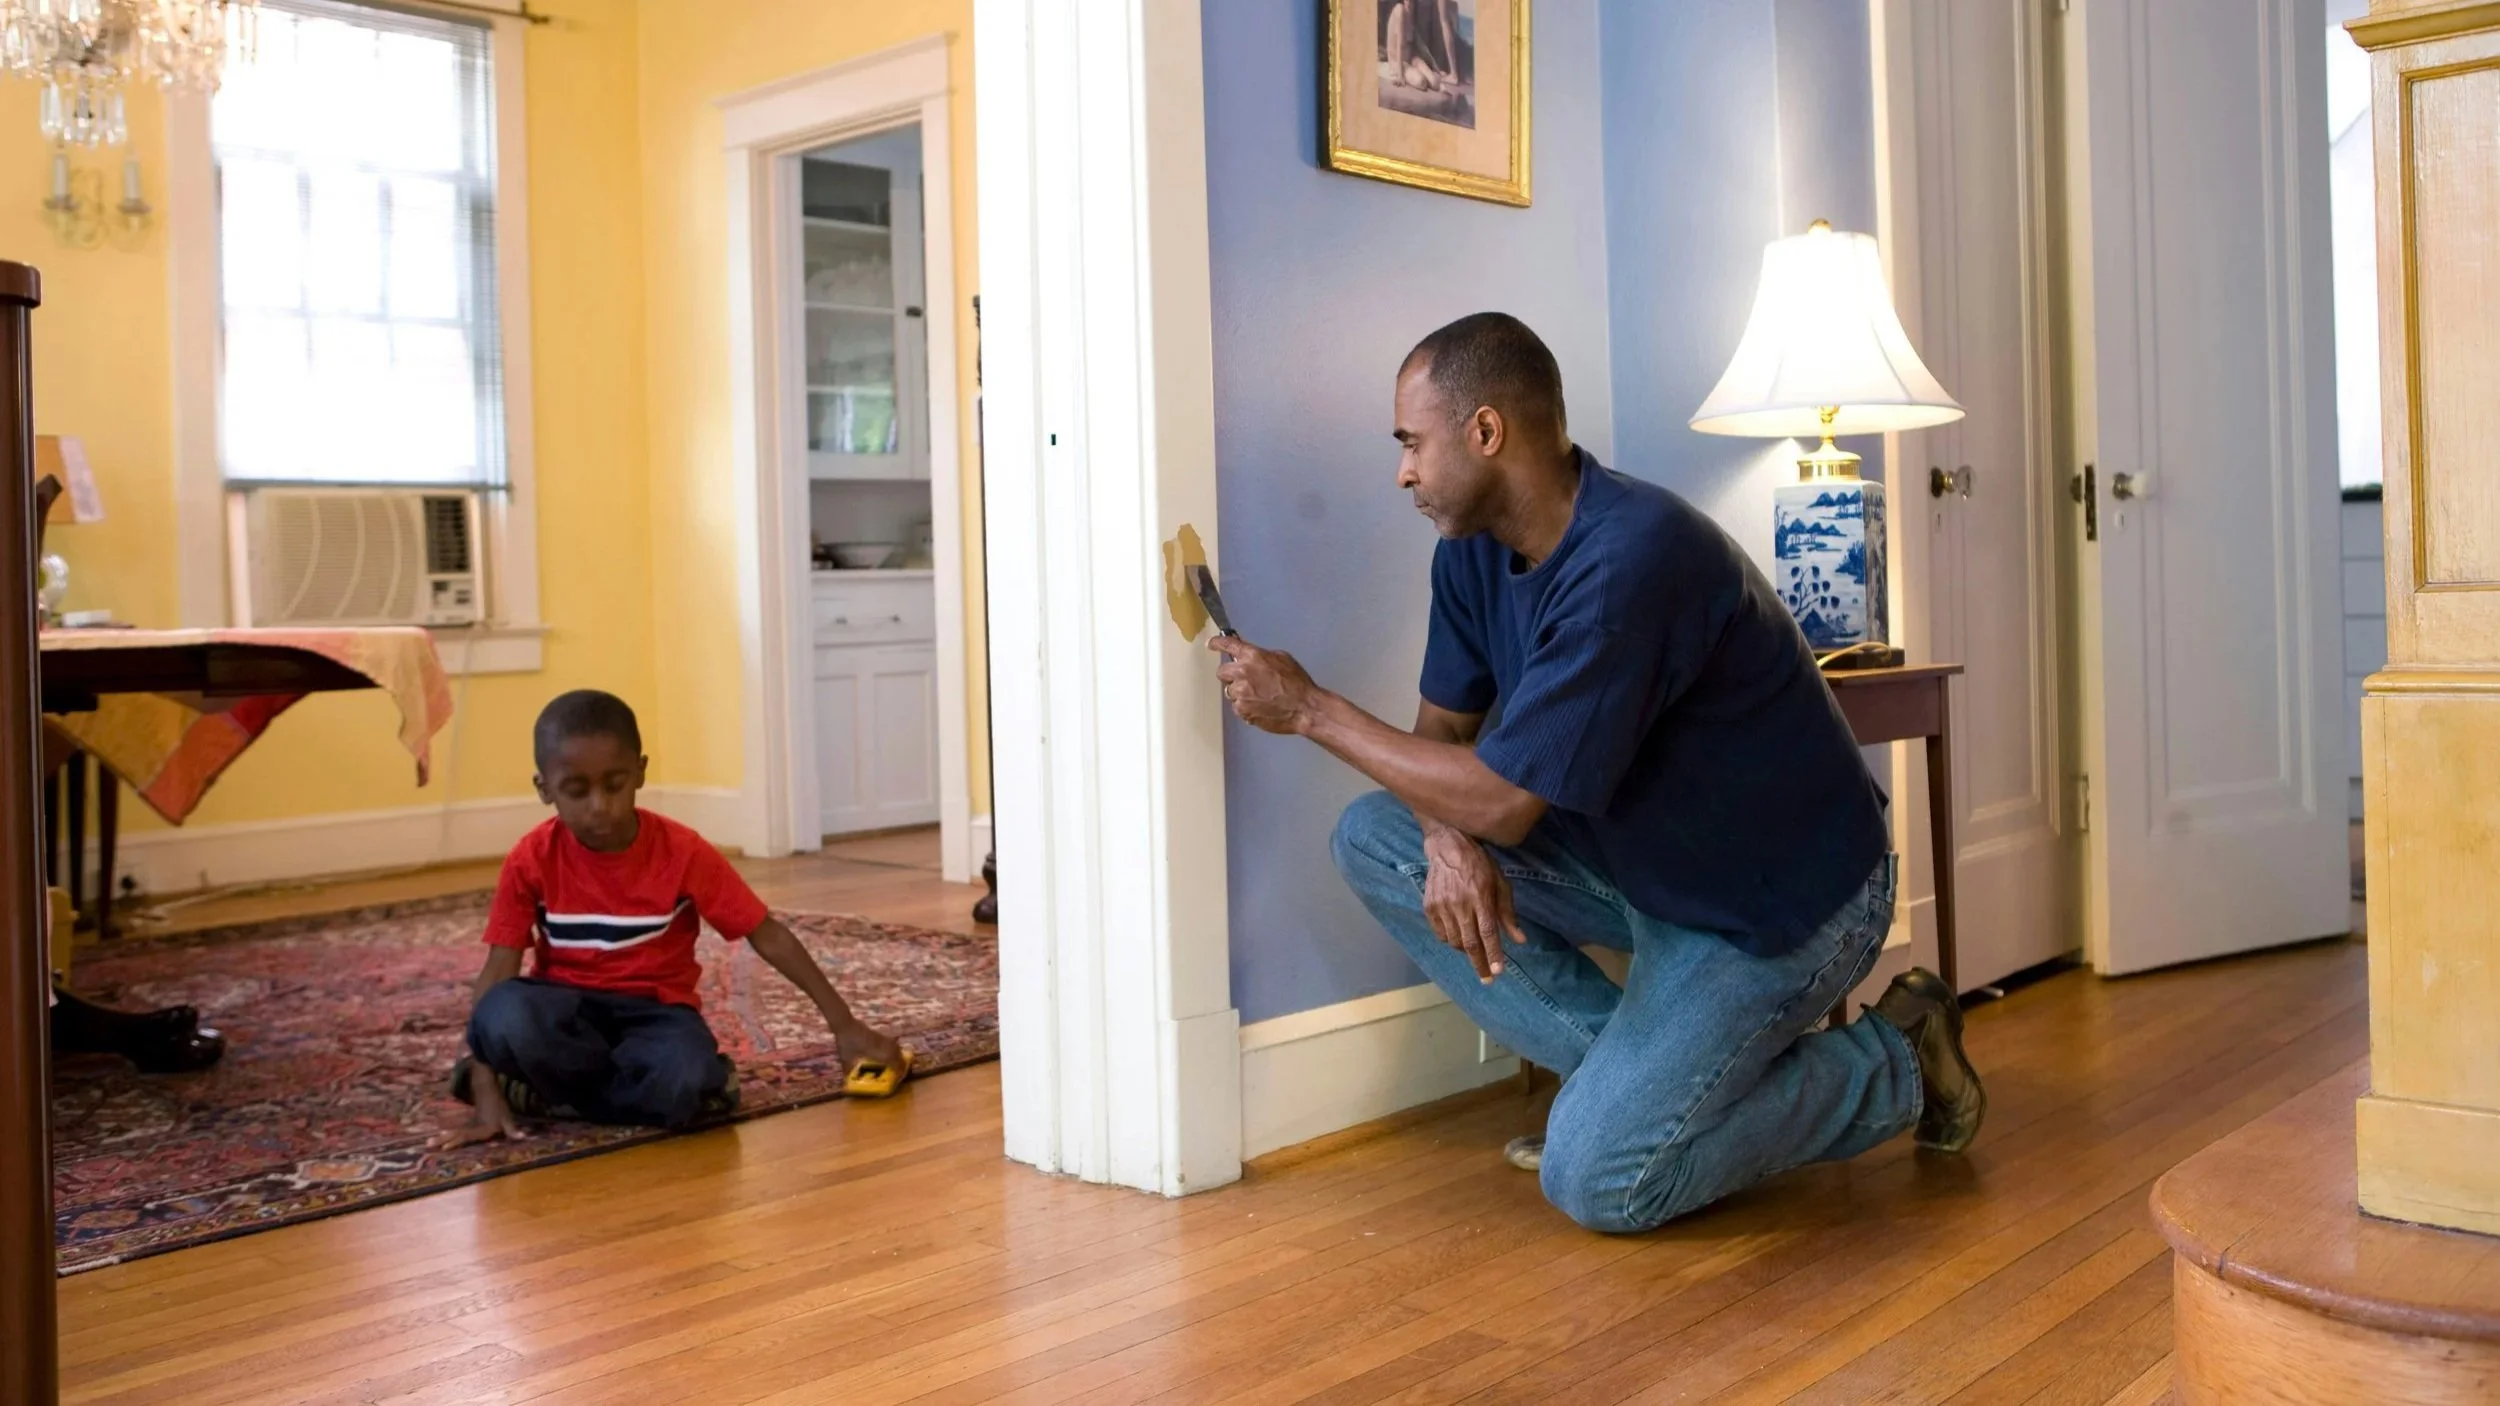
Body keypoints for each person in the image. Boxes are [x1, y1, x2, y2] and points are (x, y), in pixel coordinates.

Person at [1210, 312, 1984, 1234]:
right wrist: (1443, 838)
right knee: (1377, 838)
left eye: (1412, 443)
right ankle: (1649, 1093)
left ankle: (1895, 1054)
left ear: (1485, 432)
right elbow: (1443, 736)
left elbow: (1500, 800)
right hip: (1642, 871)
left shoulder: (1632, 559)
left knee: (1599, 1180)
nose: (1403, 472)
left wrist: (1308, 710)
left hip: (1779, 906)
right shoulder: (1470, 554)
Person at [437, 690, 905, 1148]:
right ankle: (600, 1095)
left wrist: (843, 1025)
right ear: (544, 789)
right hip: (565, 1015)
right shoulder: (530, 858)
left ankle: (550, 1098)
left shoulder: (684, 852)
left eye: (614, 784)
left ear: (640, 772)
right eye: (576, 791)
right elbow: (499, 970)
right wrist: (483, 1089)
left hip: (655, 1016)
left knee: (688, 1078)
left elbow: (767, 935)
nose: (599, 805)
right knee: (506, 1014)